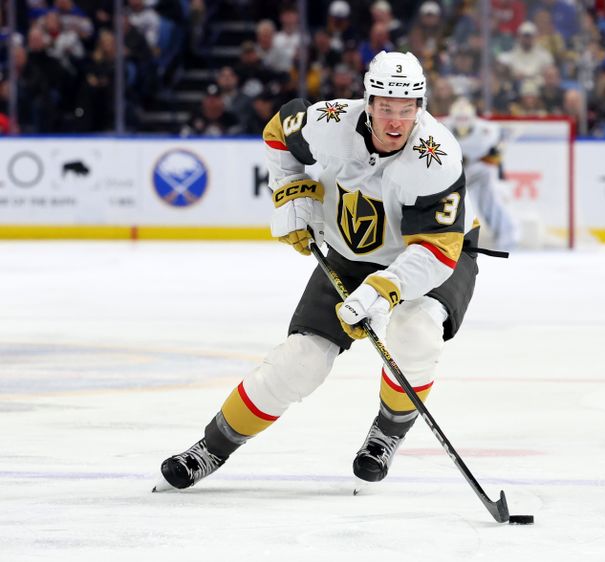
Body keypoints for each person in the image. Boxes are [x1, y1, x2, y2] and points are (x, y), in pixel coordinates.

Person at [154, 51, 479, 491]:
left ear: (420, 106)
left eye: (407, 109)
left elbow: (438, 249)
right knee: (301, 360)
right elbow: (277, 134)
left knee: (414, 333)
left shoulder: (435, 157)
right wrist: (289, 190)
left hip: (436, 254)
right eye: (386, 107)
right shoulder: (331, 123)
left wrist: (384, 290)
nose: (396, 121)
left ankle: (386, 434)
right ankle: (211, 446)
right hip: (351, 252)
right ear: (368, 102)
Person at [442, 97, 520, 251]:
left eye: (465, 118)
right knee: (447, 205)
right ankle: (444, 239)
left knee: (490, 201)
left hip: (479, 173)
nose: (462, 122)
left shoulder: (487, 130)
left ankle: (508, 237)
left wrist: (495, 153)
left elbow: (505, 138)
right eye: (459, 118)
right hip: (452, 175)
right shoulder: (441, 128)